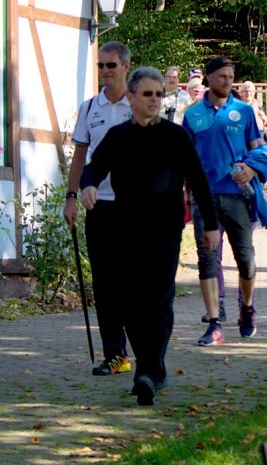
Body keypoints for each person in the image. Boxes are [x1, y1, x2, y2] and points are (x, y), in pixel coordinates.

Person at [79, 66, 219, 406]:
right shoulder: (118, 136)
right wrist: (88, 186)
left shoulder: (175, 136)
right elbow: (94, 166)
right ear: (131, 97)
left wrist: (211, 225)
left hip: (165, 230)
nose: (155, 100)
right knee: (130, 302)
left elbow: (198, 179)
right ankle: (149, 365)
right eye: (147, 94)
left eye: (158, 94)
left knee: (158, 299)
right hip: (126, 229)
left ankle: (150, 370)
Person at [182, 56, 267, 345]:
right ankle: (214, 324)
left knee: (246, 260)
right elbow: (185, 160)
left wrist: (251, 169)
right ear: (208, 78)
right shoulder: (192, 115)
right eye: (222, 76)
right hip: (204, 198)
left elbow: (260, 149)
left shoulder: (244, 111)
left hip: (237, 196)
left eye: (231, 77)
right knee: (207, 259)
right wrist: (186, 194)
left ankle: (247, 307)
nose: (227, 81)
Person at [62, 41, 134, 377]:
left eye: (111, 65)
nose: (104, 71)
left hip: (134, 206)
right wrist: (71, 196)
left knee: (132, 281)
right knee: (104, 283)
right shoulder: (90, 107)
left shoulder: (140, 102)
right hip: (98, 204)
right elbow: (80, 156)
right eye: (100, 65)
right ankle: (115, 355)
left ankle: (145, 348)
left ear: (125, 67)